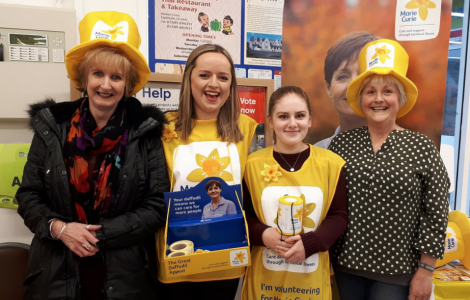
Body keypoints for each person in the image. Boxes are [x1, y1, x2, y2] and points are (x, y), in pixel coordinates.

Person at [16, 12, 169, 300]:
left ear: (127, 84)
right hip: (55, 274)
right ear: (84, 78)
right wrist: (60, 229)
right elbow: (28, 196)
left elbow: (157, 205)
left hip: (126, 279)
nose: (106, 85)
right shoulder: (52, 127)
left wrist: (98, 234)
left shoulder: (145, 132)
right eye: (98, 74)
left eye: (116, 76)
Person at [328, 39, 450, 300]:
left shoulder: (421, 146)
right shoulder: (342, 143)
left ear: (400, 98)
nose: (378, 99)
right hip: (345, 267)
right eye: (370, 91)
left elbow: (437, 210)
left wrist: (426, 271)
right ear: (361, 98)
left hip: (398, 272)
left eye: (388, 91)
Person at [157, 44, 258, 299]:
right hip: (177, 258)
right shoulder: (163, 128)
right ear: (189, 78)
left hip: (226, 260)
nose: (214, 84)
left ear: (231, 85)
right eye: (204, 75)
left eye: (223, 78)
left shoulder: (246, 128)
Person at [242, 86, 348, 300]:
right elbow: (244, 215)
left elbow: (339, 216)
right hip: (265, 278)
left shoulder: (331, 164)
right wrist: (262, 234)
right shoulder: (251, 165)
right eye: (283, 116)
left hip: (311, 280)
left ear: (309, 120)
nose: (292, 123)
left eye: (300, 116)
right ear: (271, 121)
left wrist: (311, 243)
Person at [315, 31, 378, 149]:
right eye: (342, 76)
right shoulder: (313, 158)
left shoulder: (410, 153)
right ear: (328, 87)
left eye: (364, 76)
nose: (352, 85)